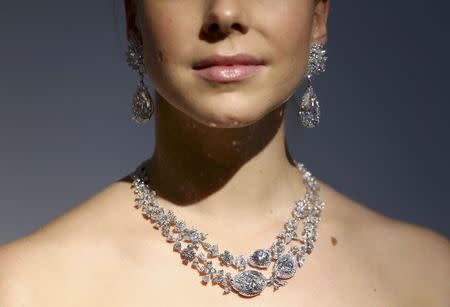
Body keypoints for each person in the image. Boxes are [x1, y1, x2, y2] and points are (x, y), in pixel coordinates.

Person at [0, 0, 448, 305]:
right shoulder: (25, 288)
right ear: (133, 16)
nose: (225, 12)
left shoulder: (431, 279)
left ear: (318, 15)